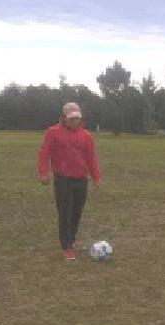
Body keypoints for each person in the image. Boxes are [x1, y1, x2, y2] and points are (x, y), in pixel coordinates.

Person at [38, 102, 101, 261]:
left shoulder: (86, 135)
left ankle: (71, 239)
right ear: (64, 118)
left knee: (77, 212)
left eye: (77, 118)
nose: (75, 121)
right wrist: (43, 172)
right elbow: (44, 153)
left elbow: (90, 157)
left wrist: (95, 176)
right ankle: (66, 247)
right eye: (71, 119)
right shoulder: (52, 133)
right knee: (65, 212)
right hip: (63, 179)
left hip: (81, 179)